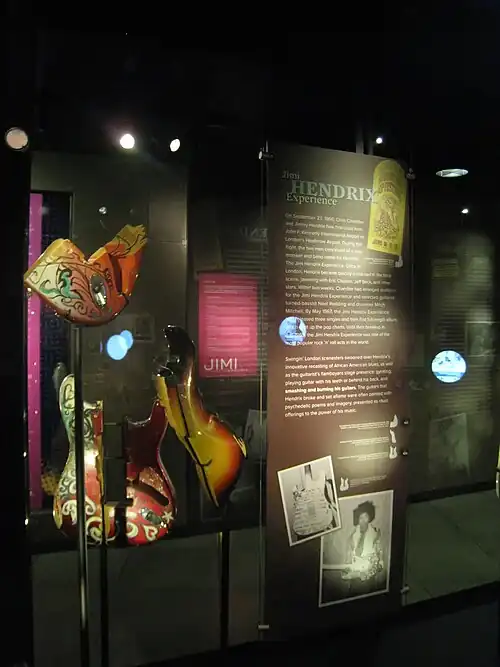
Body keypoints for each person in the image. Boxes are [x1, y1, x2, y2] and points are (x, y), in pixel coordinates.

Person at [341, 500, 384, 597]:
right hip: (354, 581)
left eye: (366, 517)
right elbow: (348, 560)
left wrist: (368, 573)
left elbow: (380, 564)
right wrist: (348, 571)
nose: (363, 521)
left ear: (370, 518)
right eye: (361, 518)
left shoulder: (376, 535)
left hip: (369, 582)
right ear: (358, 519)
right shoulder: (352, 536)